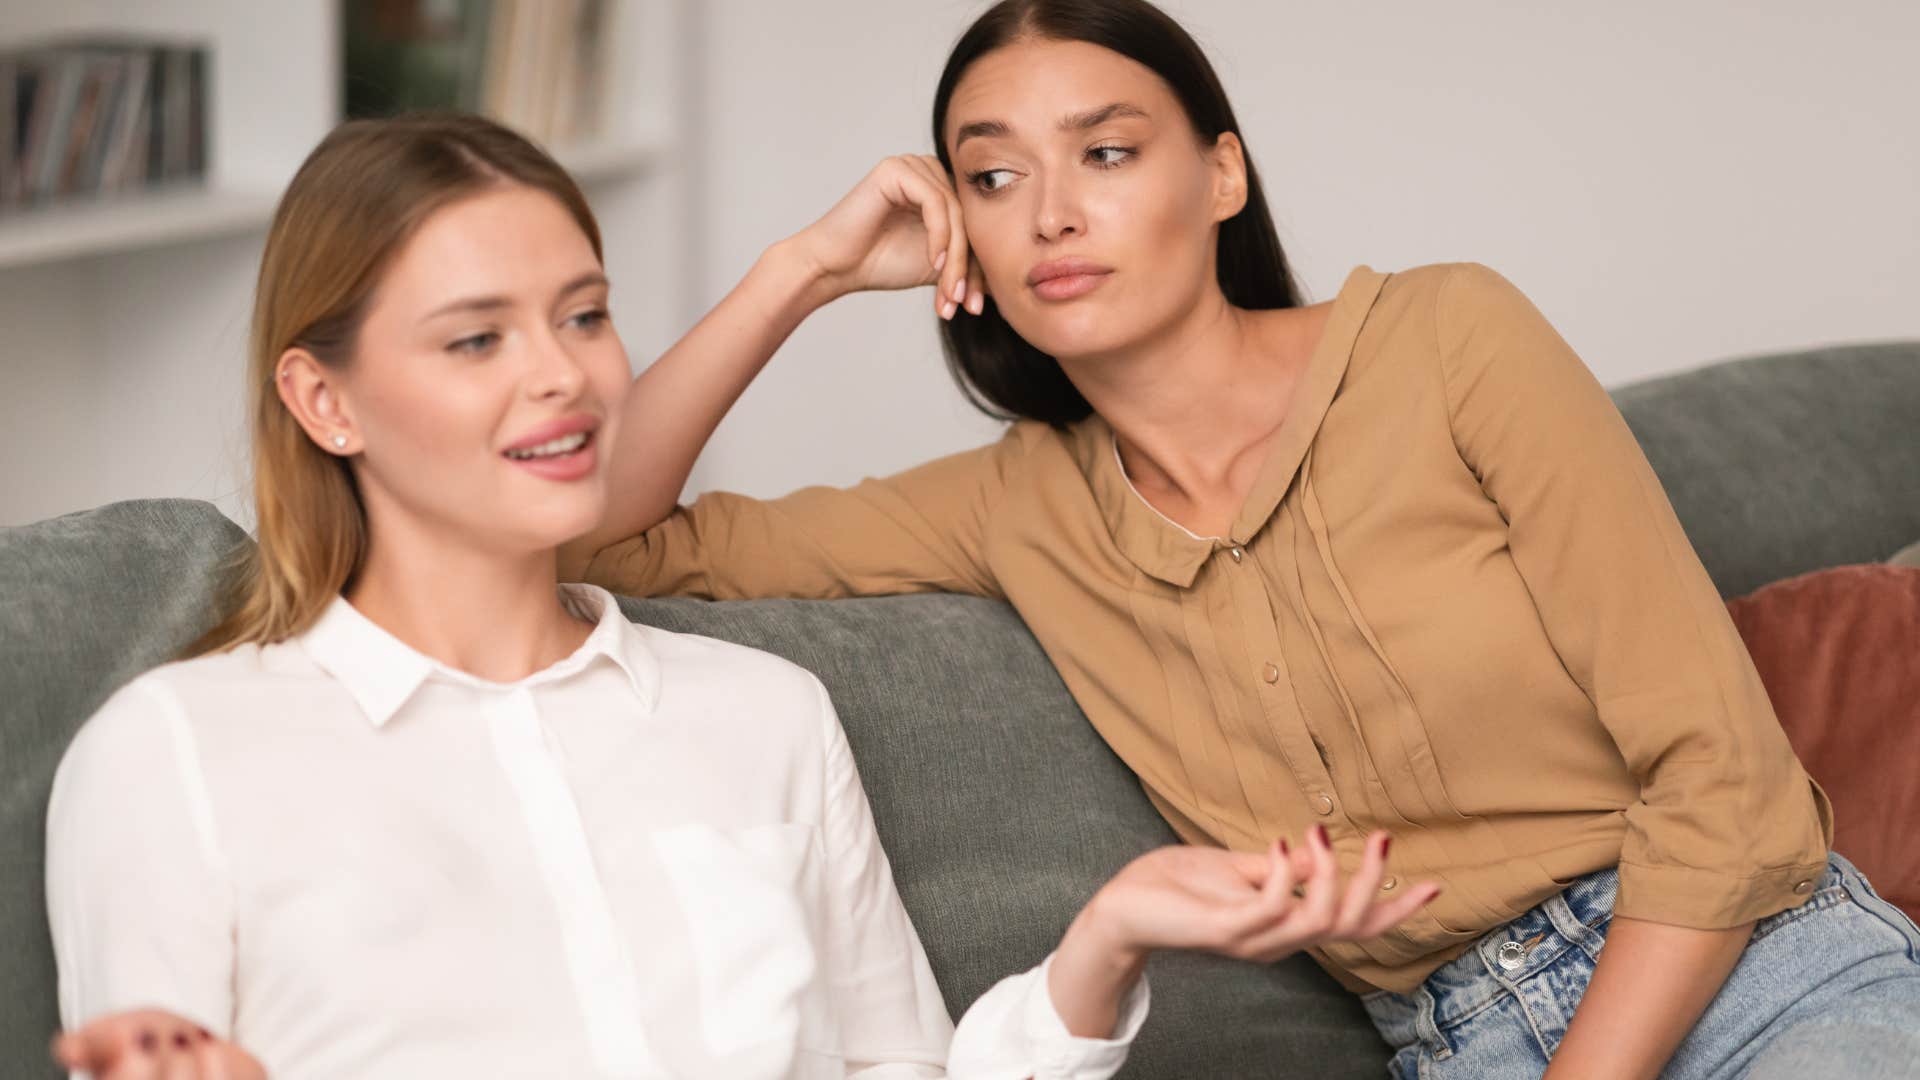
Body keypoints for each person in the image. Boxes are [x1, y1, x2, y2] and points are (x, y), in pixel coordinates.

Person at [566, 1, 1920, 1076]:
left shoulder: (1450, 340)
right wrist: (798, 270)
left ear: (1220, 173)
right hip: (1462, 1045)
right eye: (992, 174)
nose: (1049, 212)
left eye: (1106, 152)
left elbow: (1727, 786)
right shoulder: (1012, 506)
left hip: (1759, 978)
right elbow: (603, 539)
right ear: (956, 231)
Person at [44, 112, 1434, 1080]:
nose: (565, 378)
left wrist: (1109, 934)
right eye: (477, 338)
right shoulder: (176, 757)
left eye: (585, 315)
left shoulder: (760, 715)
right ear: (322, 398)